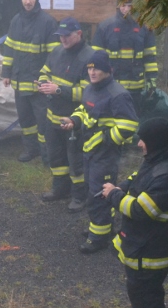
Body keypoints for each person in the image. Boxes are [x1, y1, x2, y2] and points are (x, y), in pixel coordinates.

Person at [59, 51, 139, 254]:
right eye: (89, 68)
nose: (92, 72)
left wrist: (103, 140)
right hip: (89, 150)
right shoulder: (90, 88)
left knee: (99, 194)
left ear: (107, 69)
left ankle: (99, 238)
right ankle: (101, 228)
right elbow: (83, 110)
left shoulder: (118, 94)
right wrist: (73, 121)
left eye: (96, 68)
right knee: (92, 190)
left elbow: (128, 125)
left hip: (105, 154)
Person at [99, 117, 168, 308]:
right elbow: (138, 176)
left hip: (149, 249)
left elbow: (141, 210)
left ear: (157, 142)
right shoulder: (159, 159)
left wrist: (114, 195)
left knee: (144, 289)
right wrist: (122, 186)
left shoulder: (166, 176)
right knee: (140, 287)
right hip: (144, 242)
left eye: (143, 140)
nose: (139, 144)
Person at [37, 17, 94, 213]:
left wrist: (59, 90)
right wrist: (43, 83)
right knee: (56, 158)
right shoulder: (56, 51)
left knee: (75, 160)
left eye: (67, 35)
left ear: (79, 33)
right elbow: (44, 71)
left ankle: (80, 196)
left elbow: (88, 93)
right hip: (53, 117)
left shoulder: (90, 57)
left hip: (74, 121)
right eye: (60, 35)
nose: (63, 39)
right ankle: (60, 189)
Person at [2, 0, 59, 163]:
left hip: (39, 84)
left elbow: (54, 55)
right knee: (25, 121)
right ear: (21, 0)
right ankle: (30, 150)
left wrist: (49, 79)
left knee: (43, 122)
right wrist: (6, 73)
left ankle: (47, 155)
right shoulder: (16, 21)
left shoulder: (47, 22)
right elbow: (9, 49)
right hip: (19, 81)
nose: (28, 1)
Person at [92, 0, 158, 118]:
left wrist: (152, 79)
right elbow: (96, 59)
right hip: (111, 86)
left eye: (130, 6)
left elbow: (150, 57)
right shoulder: (105, 26)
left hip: (137, 89)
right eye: (124, 5)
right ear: (118, 6)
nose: (127, 9)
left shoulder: (145, 27)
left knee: (134, 121)